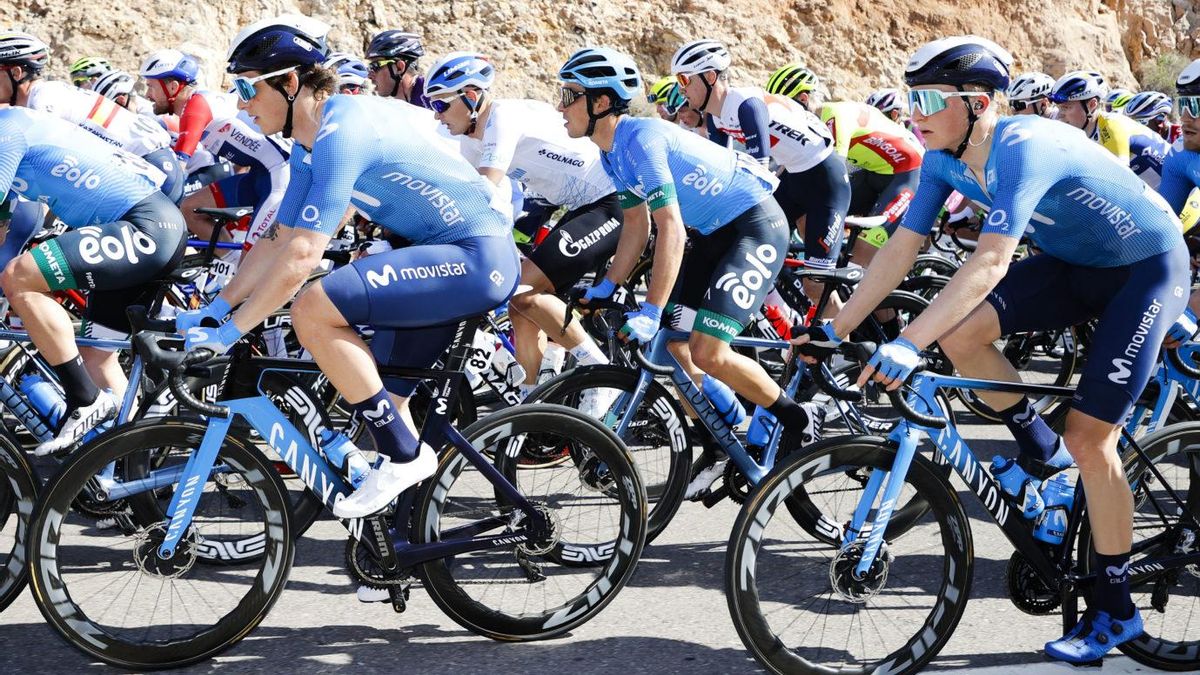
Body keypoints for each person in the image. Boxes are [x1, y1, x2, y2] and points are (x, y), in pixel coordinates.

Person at [796, 36, 1187, 664]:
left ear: (976, 104)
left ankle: (1115, 610)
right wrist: (836, 329)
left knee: (1093, 436)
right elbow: (902, 249)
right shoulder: (943, 159)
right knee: (961, 335)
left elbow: (992, 260)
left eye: (927, 98)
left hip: (1147, 269)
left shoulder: (1022, 145)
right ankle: (1042, 454)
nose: (913, 111)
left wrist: (906, 343)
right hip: (1073, 261)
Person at [180, 15, 519, 518]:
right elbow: (278, 239)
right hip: (436, 256)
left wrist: (230, 334)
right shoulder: (308, 145)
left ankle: (406, 458)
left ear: (291, 83)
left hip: (476, 256)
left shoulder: (342, 129)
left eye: (247, 87)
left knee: (314, 307)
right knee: (384, 410)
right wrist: (216, 307)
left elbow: (302, 259)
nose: (241, 102)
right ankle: (393, 552)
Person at [559, 47, 825, 481]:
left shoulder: (642, 139)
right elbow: (634, 225)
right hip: (713, 235)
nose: (561, 106)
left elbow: (671, 230)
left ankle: (796, 419)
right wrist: (607, 286)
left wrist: (650, 308)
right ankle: (722, 434)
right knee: (673, 345)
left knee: (707, 350)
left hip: (753, 226)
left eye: (569, 95)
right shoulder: (611, 154)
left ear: (601, 102)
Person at [426, 51, 623, 406]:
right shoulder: (470, 141)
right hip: (576, 206)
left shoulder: (502, 118)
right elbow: (486, 205)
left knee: (524, 291)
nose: (437, 116)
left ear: (471, 96)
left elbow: (484, 191)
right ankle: (533, 400)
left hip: (613, 201)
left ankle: (600, 373)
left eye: (441, 105)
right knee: (519, 304)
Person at [0, 107, 185, 455]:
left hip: (143, 225)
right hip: (151, 225)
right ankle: (126, 474)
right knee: (97, 357)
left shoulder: (6, 130)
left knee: (19, 277)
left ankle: (83, 398)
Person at [671, 39, 850, 285]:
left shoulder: (746, 103)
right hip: (794, 178)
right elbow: (719, 173)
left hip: (825, 179)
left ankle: (839, 322)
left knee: (816, 284)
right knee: (739, 243)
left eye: (684, 79)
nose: (681, 90)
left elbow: (758, 171)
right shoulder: (715, 118)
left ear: (710, 76)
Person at [0, 33, 186, 203]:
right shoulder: (48, 92)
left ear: (16, 73)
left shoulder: (42, 101)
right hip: (149, 166)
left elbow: (51, 169)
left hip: (151, 169)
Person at [1051, 70, 1171, 188]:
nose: (1060, 114)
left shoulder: (1112, 126)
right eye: (1059, 108)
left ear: (1092, 105)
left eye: (1066, 107)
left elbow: (1118, 184)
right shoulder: (1084, 131)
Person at [140, 48, 239, 191]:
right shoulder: (198, 101)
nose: (147, 95)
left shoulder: (195, 108)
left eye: (151, 87)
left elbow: (178, 170)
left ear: (173, 87)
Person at [1157, 58, 1200, 315]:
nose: (1184, 117)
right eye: (1182, 104)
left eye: (1196, 105)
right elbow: (1161, 223)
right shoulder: (1181, 154)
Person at [365, 30, 429, 108]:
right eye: (370, 67)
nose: (369, 75)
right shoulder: (403, 104)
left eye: (375, 66)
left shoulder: (432, 97)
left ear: (399, 68)